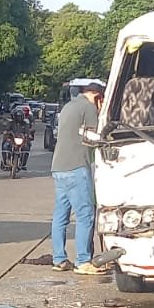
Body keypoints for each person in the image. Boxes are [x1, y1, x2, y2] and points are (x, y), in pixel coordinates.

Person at [50, 81, 106, 274]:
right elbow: (93, 138)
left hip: (58, 167)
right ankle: (83, 261)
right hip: (76, 167)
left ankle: (59, 259)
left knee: (60, 216)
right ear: (98, 97)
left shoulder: (69, 106)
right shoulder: (88, 107)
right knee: (86, 215)